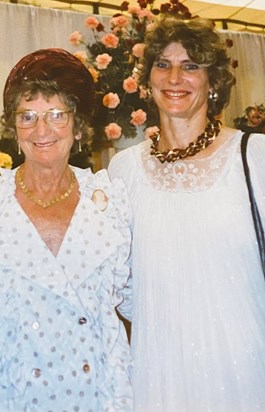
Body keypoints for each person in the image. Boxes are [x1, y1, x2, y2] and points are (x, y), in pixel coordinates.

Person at [0, 48, 133, 411]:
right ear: (14, 127)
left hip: (101, 399)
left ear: (78, 125)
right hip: (10, 399)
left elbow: (139, 310)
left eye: (56, 114)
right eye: (27, 116)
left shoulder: (112, 204)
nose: (41, 130)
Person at [109, 18, 265, 412]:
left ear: (213, 82)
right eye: (163, 64)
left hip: (243, 369)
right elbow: (116, 285)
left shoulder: (256, 158)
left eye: (191, 65)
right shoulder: (122, 171)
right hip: (155, 373)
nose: (175, 76)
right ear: (147, 80)